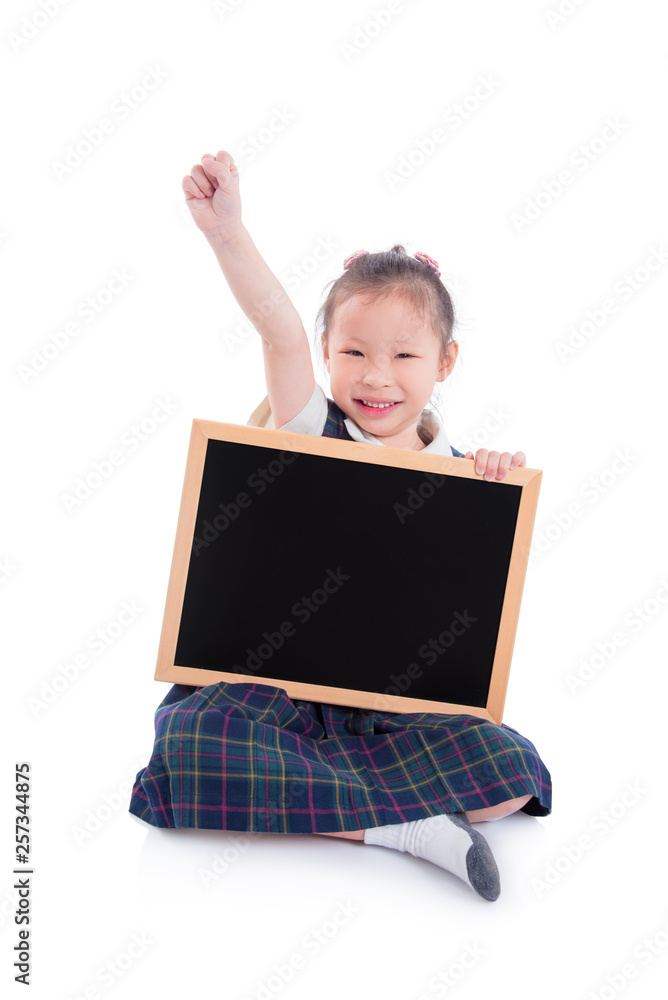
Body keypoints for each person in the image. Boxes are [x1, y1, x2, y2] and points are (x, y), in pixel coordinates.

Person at [128, 150, 552, 903]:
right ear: (326, 355)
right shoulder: (312, 424)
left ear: (445, 362)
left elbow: (466, 606)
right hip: (275, 699)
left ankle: (356, 803)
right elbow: (278, 331)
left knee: (511, 772)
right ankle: (408, 828)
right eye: (352, 351)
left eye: (403, 355)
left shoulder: (460, 467)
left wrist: (495, 482)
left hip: (395, 712)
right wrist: (227, 232)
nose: (376, 376)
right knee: (191, 743)